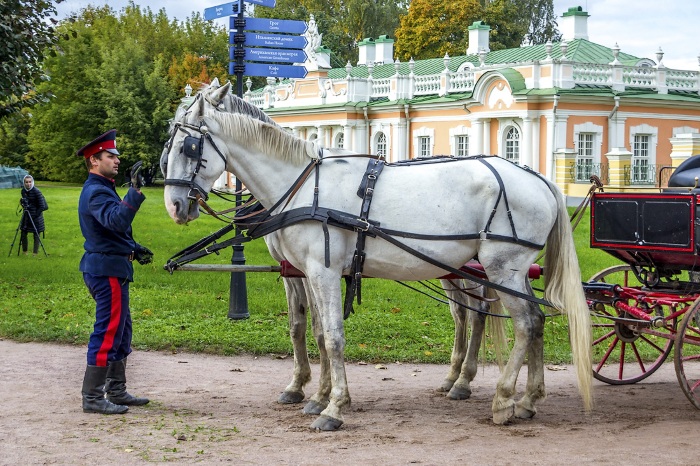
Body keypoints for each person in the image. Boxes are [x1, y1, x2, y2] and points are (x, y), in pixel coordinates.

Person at [76, 129, 154, 415]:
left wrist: (133, 247)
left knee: (121, 331)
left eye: (116, 156)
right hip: (105, 270)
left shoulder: (102, 188)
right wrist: (134, 193)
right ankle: (93, 397)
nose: (117, 161)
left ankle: (116, 390)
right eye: (111, 156)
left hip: (112, 265)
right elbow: (116, 221)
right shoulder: (96, 191)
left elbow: (109, 231)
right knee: (108, 330)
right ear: (94, 160)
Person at [19, 174, 48, 256]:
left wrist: (35, 215)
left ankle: (35, 253)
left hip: (36, 216)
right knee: (23, 232)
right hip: (26, 215)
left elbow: (42, 206)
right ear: (24, 183)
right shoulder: (23, 191)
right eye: (26, 182)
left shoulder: (37, 192)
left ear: (32, 182)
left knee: (36, 234)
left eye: (30, 182)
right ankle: (25, 252)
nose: (28, 184)